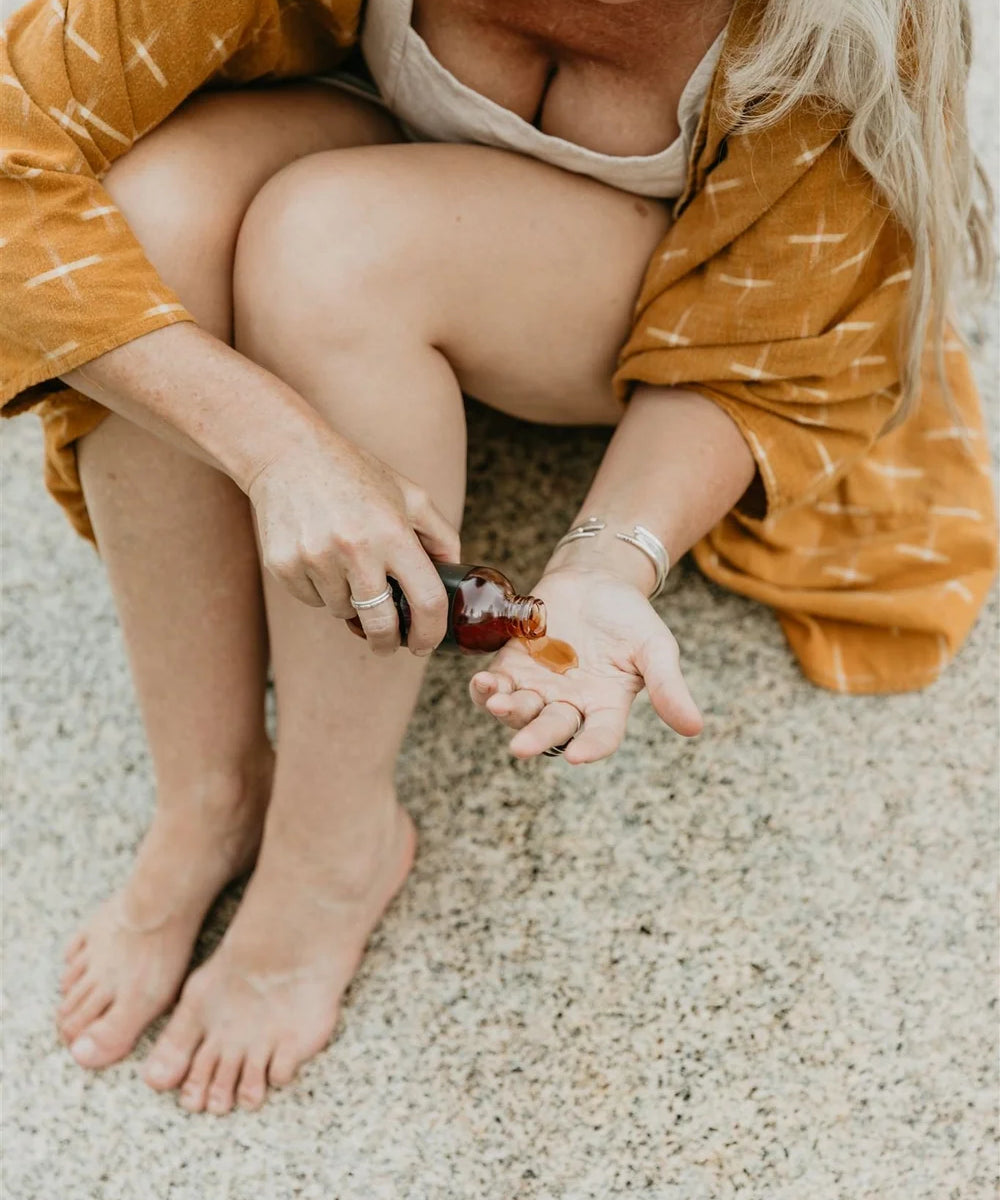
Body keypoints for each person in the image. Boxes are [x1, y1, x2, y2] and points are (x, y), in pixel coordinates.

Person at [1, 0, 995, 1115]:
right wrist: (275, 445)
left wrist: (607, 562)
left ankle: (334, 845)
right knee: (146, 213)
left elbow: (771, 345)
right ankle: (209, 792)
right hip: (376, 142)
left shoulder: (849, 20)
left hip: (643, 275)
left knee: (332, 251)